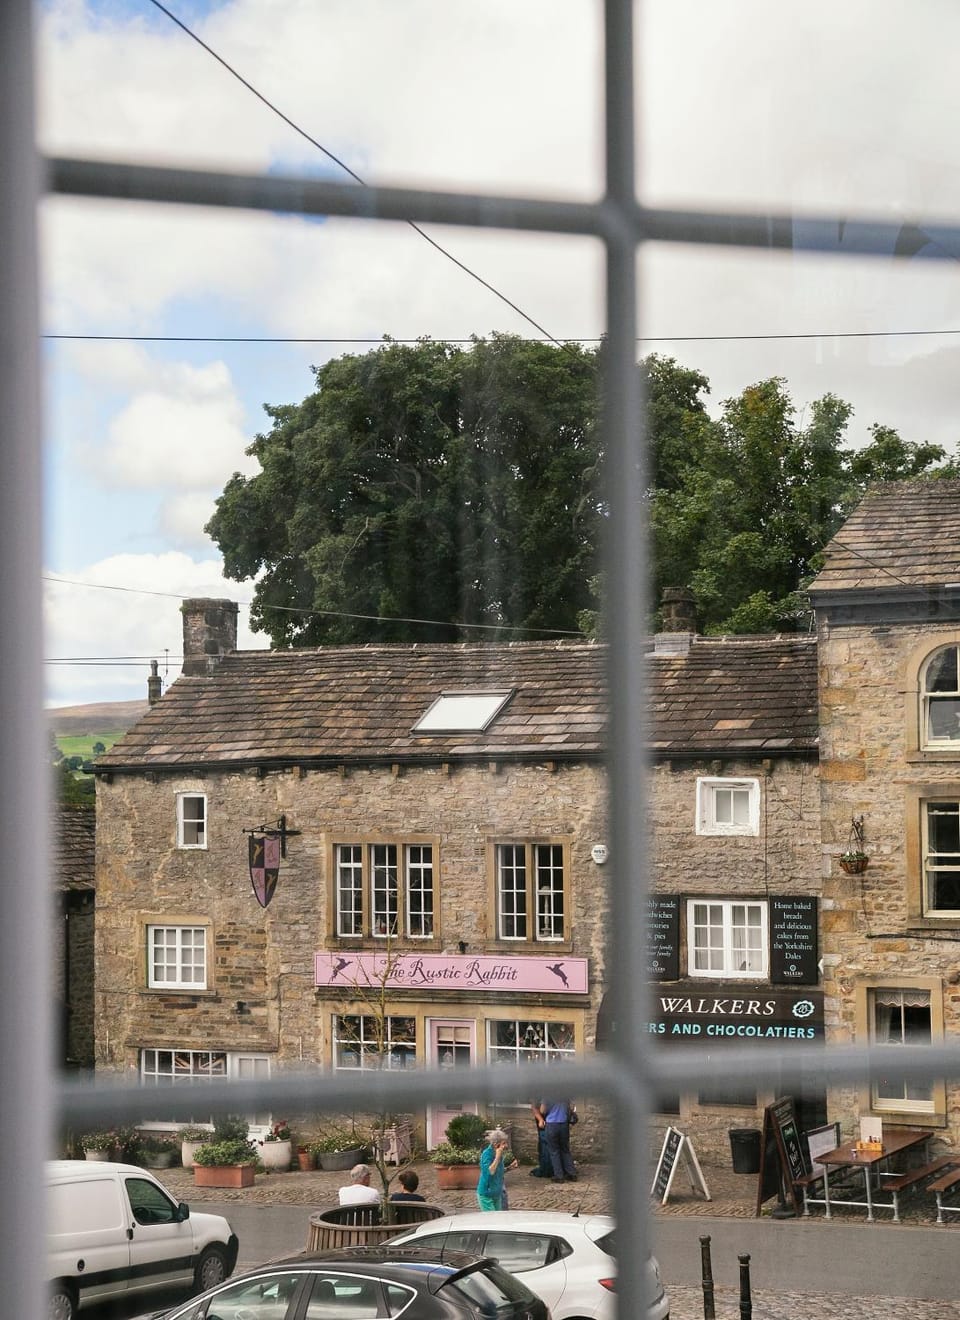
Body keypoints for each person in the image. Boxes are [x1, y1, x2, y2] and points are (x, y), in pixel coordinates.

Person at [537, 1099, 577, 1183]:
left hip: (551, 1124)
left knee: (554, 1151)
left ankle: (559, 1176)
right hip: (564, 1123)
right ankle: (572, 1173)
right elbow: (572, 1107)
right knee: (565, 1149)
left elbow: (542, 1110)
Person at [476, 1126, 510, 1211]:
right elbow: (490, 1172)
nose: (506, 1145)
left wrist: (510, 1168)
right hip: (486, 1195)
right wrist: (497, 1158)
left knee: (498, 1219)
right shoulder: (486, 1154)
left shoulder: (499, 1153)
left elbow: (498, 1171)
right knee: (491, 1220)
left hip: (496, 1194)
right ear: (495, 1144)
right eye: (503, 1143)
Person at [528, 1101, 554, 1178]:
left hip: (552, 1121)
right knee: (545, 1146)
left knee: (548, 1146)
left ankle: (551, 1170)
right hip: (544, 1122)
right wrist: (540, 1119)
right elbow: (539, 1108)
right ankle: (547, 1169)